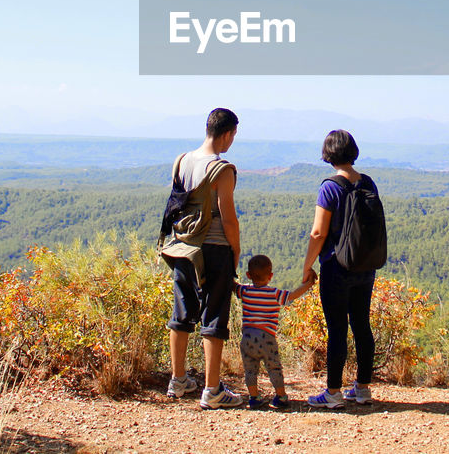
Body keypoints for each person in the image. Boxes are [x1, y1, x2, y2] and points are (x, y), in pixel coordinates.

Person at [159, 107, 245, 409]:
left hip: (183, 246)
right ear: (228, 133)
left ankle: (178, 380)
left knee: (181, 311)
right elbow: (228, 217)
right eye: (234, 135)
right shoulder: (223, 169)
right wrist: (235, 250)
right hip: (214, 248)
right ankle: (212, 390)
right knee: (214, 314)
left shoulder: (181, 161)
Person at [301, 129, 379, 408]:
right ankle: (363, 388)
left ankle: (333, 392)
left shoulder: (330, 187)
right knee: (362, 326)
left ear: (328, 153)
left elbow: (318, 233)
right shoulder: (368, 182)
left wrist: (307, 266)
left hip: (336, 266)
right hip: (365, 265)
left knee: (337, 329)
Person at [235, 254, 316, 409]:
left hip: (247, 337)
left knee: (250, 370)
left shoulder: (244, 291)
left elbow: (233, 286)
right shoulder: (275, 294)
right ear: (271, 276)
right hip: (267, 338)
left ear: (248, 275)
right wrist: (308, 284)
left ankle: (254, 397)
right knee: (274, 368)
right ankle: (281, 396)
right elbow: (292, 295)